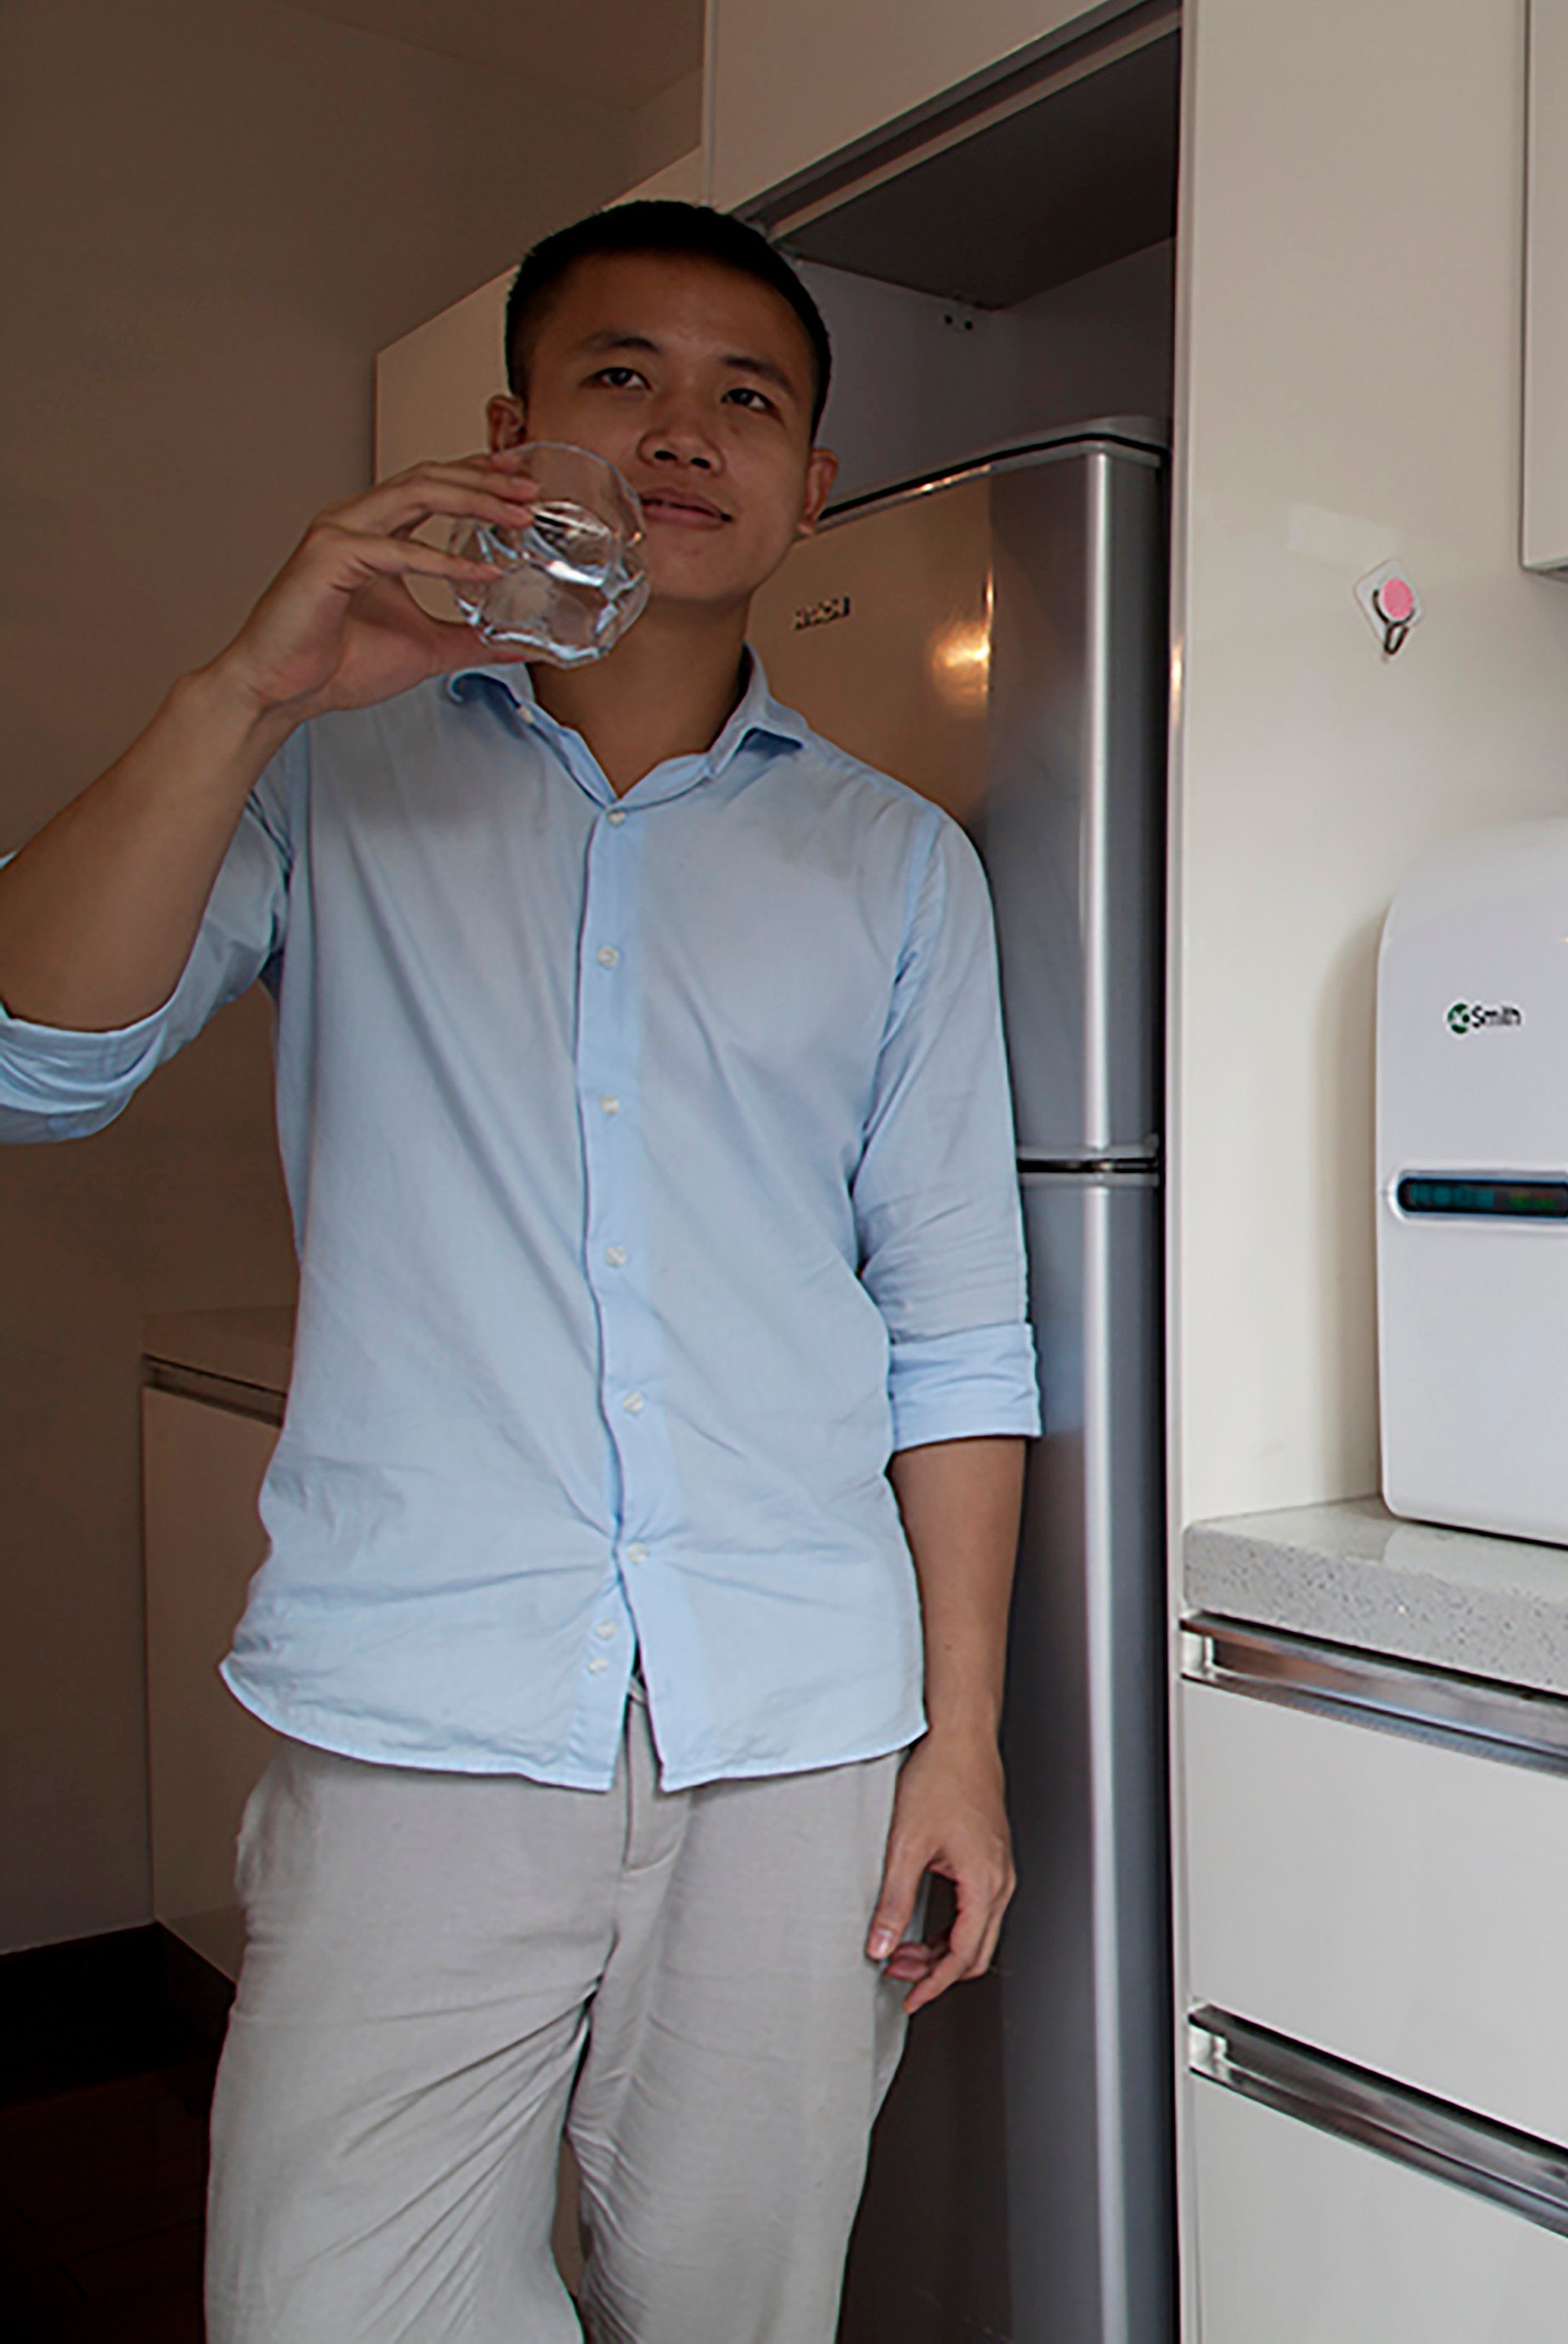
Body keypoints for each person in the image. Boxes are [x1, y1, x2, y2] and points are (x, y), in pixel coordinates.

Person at [0, 201, 1036, 2341]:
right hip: (427, 1709)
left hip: (798, 1725)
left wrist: (962, 1744)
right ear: (514, 433)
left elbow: (952, 1335)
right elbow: (32, 1065)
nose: (685, 430)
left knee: (733, 2303)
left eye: (748, 397)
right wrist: (250, 685)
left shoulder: (895, 865)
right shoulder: (324, 779)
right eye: (621, 377)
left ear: (812, 486)